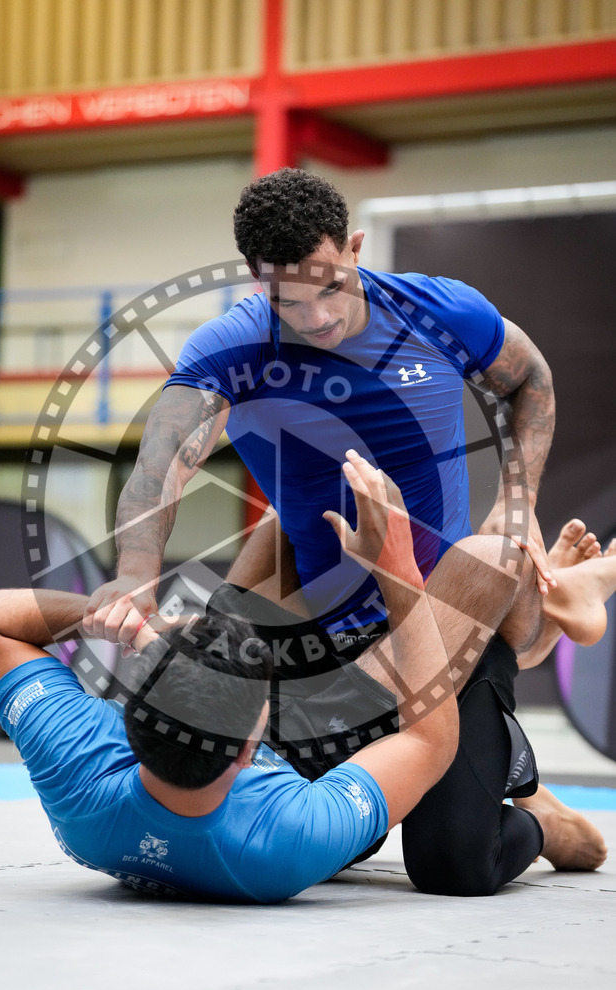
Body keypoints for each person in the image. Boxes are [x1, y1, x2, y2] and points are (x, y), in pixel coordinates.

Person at [81, 167, 601, 893]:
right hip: (323, 626)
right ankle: (554, 617)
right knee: (323, 842)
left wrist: (517, 498)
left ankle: (544, 818)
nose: (316, 316)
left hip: (443, 616)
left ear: (354, 248)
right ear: (256, 280)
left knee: (455, 866)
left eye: (329, 286)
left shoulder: (438, 310)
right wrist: (135, 574)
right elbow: (160, 463)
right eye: (287, 300)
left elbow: (530, 378)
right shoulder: (231, 348)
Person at [0, 454, 614, 902]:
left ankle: (545, 610)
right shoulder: (286, 834)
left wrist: (123, 614)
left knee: (279, 540)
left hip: (248, 742)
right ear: (254, 745)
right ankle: (547, 615)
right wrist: (396, 572)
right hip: (346, 747)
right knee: (486, 565)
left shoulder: (80, 763)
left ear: (126, 716)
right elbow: (427, 738)